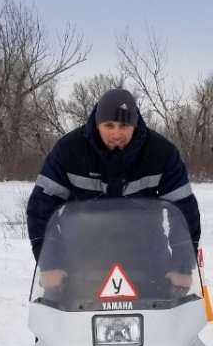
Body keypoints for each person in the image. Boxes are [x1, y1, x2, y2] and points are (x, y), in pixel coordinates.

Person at [26, 88, 201, 290]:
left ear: (135, 125)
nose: (117, 134)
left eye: (124, 125)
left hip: (148, 260)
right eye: (109, 125)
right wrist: (50, 263)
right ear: (97, 123)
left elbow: (184, 211)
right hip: (81, 260)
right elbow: (41, 208)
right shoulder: (68, 151)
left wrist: (181, 266)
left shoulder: (161, 153)